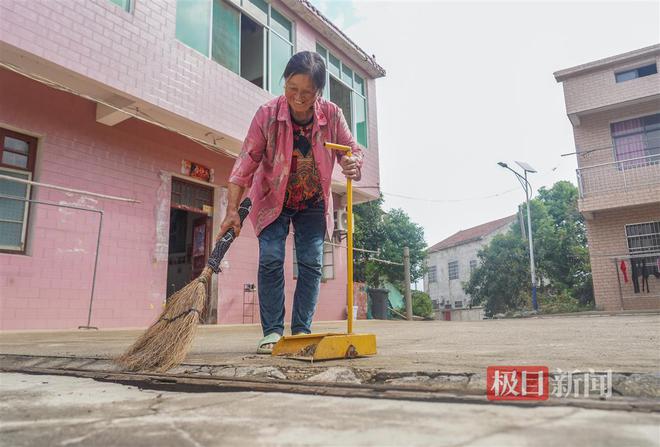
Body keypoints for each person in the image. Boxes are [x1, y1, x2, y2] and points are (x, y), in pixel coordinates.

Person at [218, 51, 363, 354]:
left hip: (312, 200)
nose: (298, 97)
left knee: (310, 264)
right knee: (271, 259)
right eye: (292, 88)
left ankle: (301, 332)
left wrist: (352, 163)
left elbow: (351, 150)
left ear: (318, 92)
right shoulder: (267, 114)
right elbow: (245, 163)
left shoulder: (332, 115)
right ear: (284, 83)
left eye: (306, 92)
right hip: (272, 198)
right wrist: (232, 210)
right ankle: (271, 332)